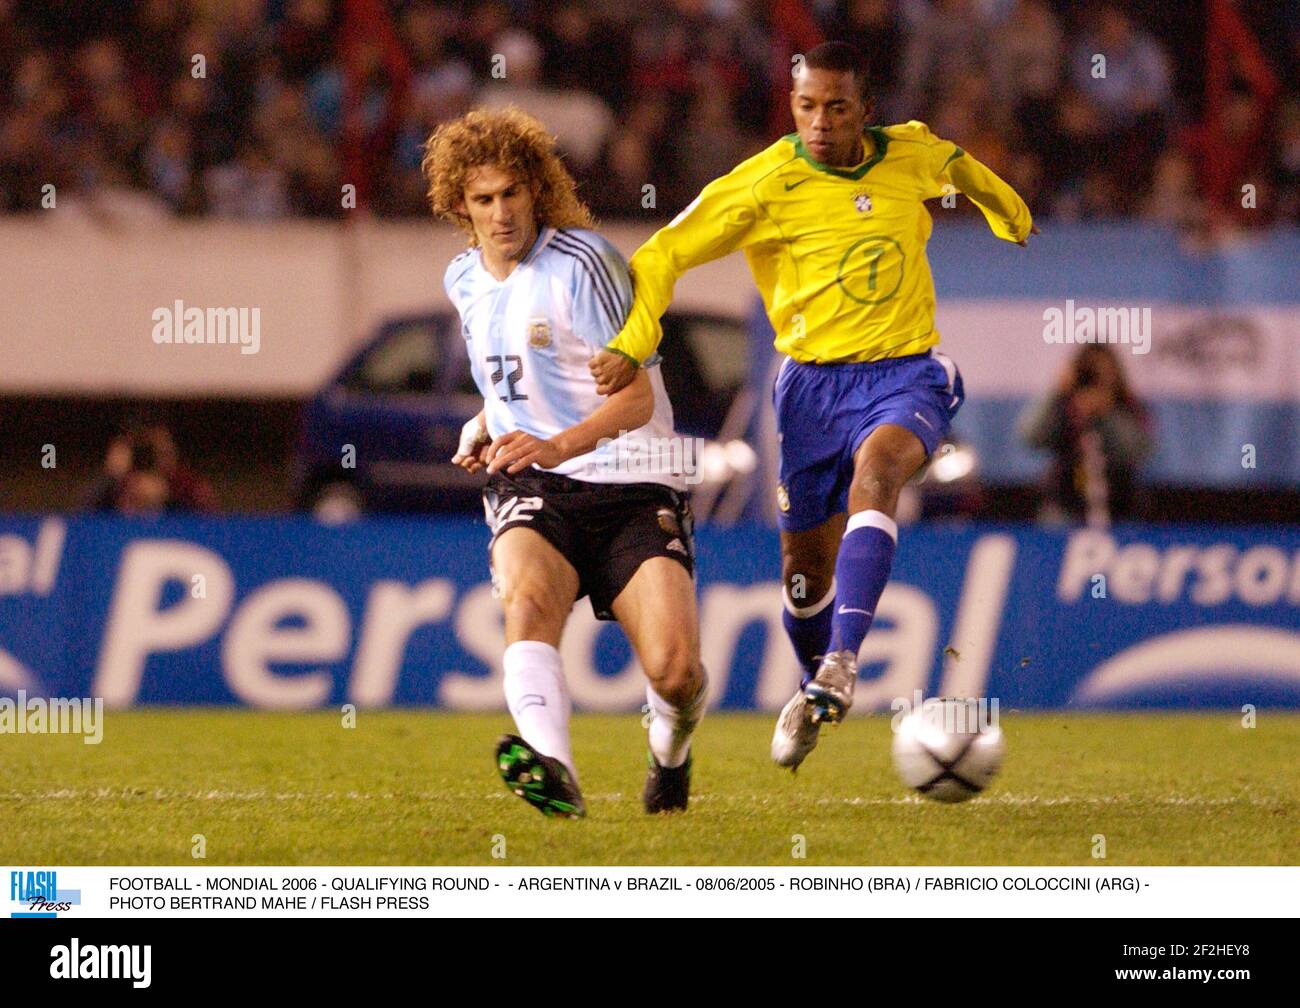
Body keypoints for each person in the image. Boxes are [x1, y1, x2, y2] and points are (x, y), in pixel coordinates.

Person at [589, 41, 1036, 771]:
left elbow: (956, 166)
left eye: (835, 107)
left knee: (880, 472)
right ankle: (812, 683)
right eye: (805, 107)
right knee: (802, 576)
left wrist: (1007, 210)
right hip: (809, 393)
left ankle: (844, 662)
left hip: (905, 372)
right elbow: (662, 254)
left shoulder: (907, 153)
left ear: (866, 109)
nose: (820, 123)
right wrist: (632, 343)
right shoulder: (764, 184)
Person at [424, 107, 707, 817]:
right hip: (537, 486)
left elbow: (636, 398)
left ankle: (669, 757)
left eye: (511, 194)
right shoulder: (461, 278)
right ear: (460, 204)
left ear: (536, 191)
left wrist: (552, 443)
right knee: (528, 602)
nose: (500, 213)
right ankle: (554, 768)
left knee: (675, 672)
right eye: (483, 200)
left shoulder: (585, 264)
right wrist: (481, 421)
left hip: (634, 478)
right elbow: (515, 377)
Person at [1018, 344, 1152, 525]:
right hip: (1065, 506)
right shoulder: (1063, 405)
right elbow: (1030, 436)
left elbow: (1136, 452)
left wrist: (1107, 412)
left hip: (1121, 506)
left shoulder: (1127, 406)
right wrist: (1056, 391)